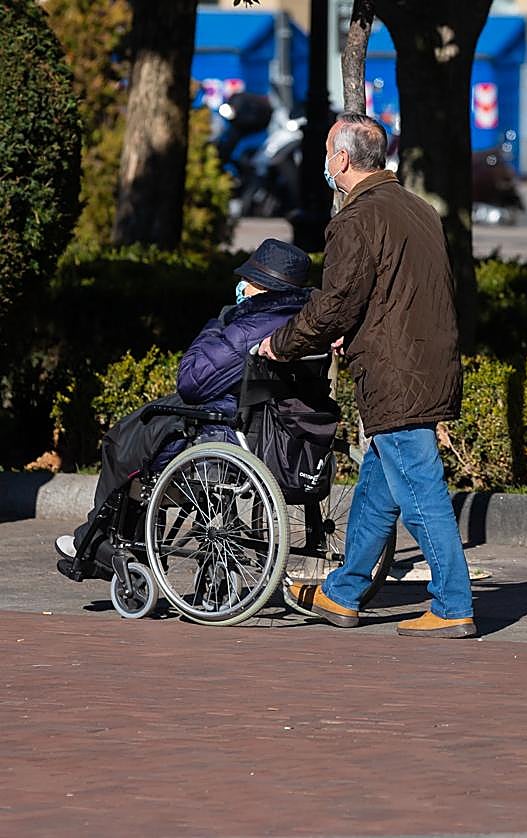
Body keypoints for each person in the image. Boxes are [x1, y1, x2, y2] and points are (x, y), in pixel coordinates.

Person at [258, 112, 476, 639]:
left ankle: (452, 603)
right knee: (377, 488)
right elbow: (392, 296)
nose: (324, 165)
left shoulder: (355, 219)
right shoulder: (419, 210)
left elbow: (336, 304)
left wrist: (281, 345)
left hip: (395, 375)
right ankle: (343, 593)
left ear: (342, 160)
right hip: (426, 362)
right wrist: (352, 332)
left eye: (327, 154)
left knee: (421, 492)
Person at [54, 239, 314, 572]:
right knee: (143, 430)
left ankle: (104, 542)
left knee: (126, 440)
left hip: (227, 430)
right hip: (273, 428)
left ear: (262, 288)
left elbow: (191, 381)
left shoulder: (249, 327)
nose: (241, 286)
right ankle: (104, 539)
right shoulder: (304, 320)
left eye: (248, 280)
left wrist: (216, 325)